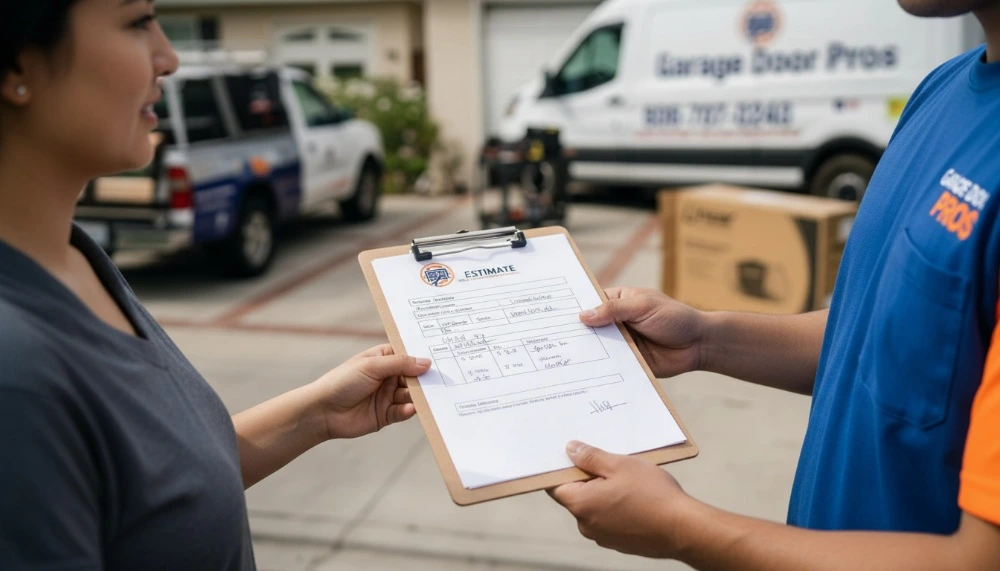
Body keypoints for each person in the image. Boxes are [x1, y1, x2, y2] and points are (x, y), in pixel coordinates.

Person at [549, 1, 1000, 568]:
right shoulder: (942, 89)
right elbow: (880, 341)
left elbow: (978, 559)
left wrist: (679, 528)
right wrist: (704, 338)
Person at [0, 2, 431, 569]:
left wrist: (318, 412)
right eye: (136, 22)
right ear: (17, 65)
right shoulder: (15, 374)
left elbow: (163, 494)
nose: (169, 57)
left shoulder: (74, 255)